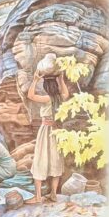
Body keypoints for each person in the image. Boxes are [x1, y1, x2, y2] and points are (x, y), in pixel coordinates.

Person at [26, 63, 69, 204]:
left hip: (46, 132)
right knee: (55, 160)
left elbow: (30, 95)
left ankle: (38, 196)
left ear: (46, 87)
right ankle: (53, 194)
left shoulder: (47, 99)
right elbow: (66, 93)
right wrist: (61, 79)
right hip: (56, 131)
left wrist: (35, 79)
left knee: (40, 160)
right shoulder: (60, 97)